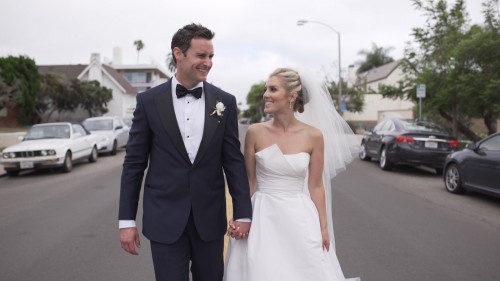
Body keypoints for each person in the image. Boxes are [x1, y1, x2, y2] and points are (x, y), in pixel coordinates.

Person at [118, 23, 253, 281]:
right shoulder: (148, 102)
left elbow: (233, 162)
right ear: (178, 54)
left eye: (211, 56)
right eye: (201, 55)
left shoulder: (225, 102)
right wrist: (126, 221)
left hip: (210, 220)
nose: (208, 62)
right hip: (164, 219)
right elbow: (134, 164)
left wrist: (243, 213)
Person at [224, 67, 360, 281]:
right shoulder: (254, 133)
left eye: (273, 89)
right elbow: (249, 181)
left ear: (292, 96)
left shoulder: (314, 136)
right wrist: (241, 215)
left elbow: (316, 186)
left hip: (299, 218)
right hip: (263, 216)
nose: (265, 94)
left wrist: (324, 228)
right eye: (265, 89)